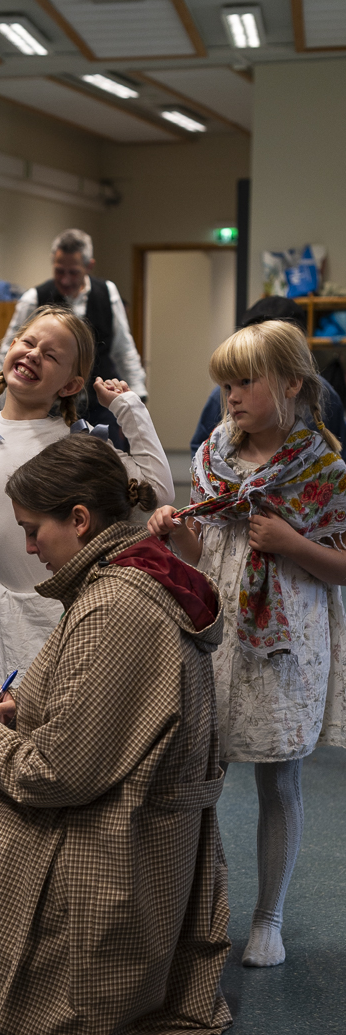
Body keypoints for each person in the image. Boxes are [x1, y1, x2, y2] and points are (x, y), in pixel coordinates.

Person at [0, 433, 231, 1035]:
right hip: (142, 826)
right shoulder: (141, 574)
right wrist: (25, 707)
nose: (29, 546)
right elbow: (106, 703)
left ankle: (30, 974)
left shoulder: (113, 604)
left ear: (79, 519)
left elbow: (55, 774)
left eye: (34, 530)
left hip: (104, 835)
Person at [149, 319, 346, 969]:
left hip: (286, 633)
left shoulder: (321, 467)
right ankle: (194, 907)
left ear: (291, 383)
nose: (230, 397)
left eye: (243, 383)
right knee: (201, 769)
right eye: (224, 384)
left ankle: (270, 916)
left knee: (278, 777)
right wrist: (173, 530)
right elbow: (202, 545)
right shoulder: (214, 454)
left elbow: (341, 563)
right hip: (215, 622)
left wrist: (291, 544)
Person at [0, 305, 175, 684]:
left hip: (78, 610)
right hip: (8, 610)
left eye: (51, 355)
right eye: (29, 343)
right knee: (16, 720)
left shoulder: (80, 444)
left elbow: (159, 495)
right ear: (11, 347)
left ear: (69, 386)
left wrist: (129, 410)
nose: (34, 354)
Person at [0, 228, 146, 446]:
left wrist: (138, 400)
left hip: (100, 406)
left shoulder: (108, 293)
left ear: (89, 266)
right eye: (59, 271)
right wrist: (3, 408)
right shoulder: (33, 298)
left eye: (73, 272)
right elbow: (7, 352)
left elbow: (125, 351)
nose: (65, 280)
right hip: (47, 409)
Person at [190, 296, 346, 456]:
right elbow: (199, 448)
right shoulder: (222, 395)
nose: (232, 397)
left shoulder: (325, 394)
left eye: (246, 381)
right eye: (228, 387)